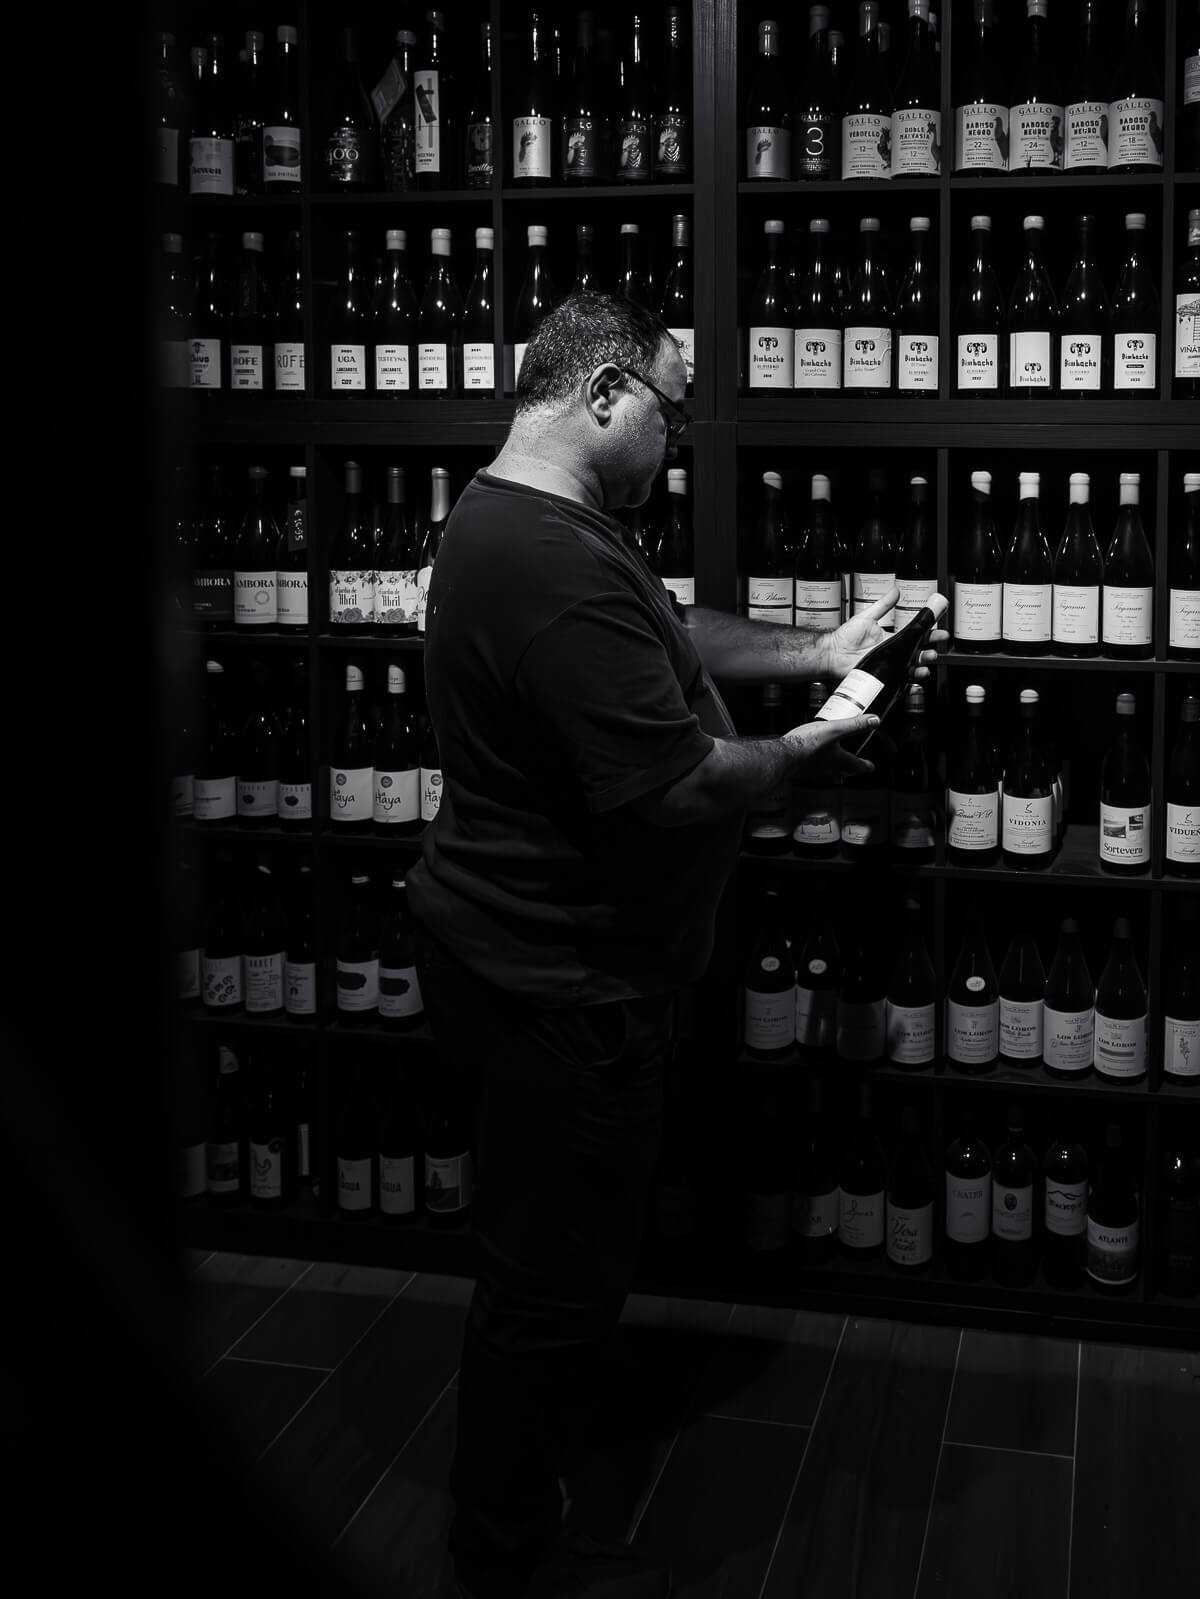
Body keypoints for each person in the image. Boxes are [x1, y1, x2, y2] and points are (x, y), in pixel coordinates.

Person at [406, 290, 945, 1599]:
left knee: (562, 1264)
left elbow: (664, 630)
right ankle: (503, 1549)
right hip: (559, 986)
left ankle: (538, 1473)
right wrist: (807, 762)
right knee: (546, 1289)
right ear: (604, 394)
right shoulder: (543, 558)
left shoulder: (546, 527)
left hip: (537, 960)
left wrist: (813, 648)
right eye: (672, 408)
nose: (679, 440)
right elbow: (675, 787)